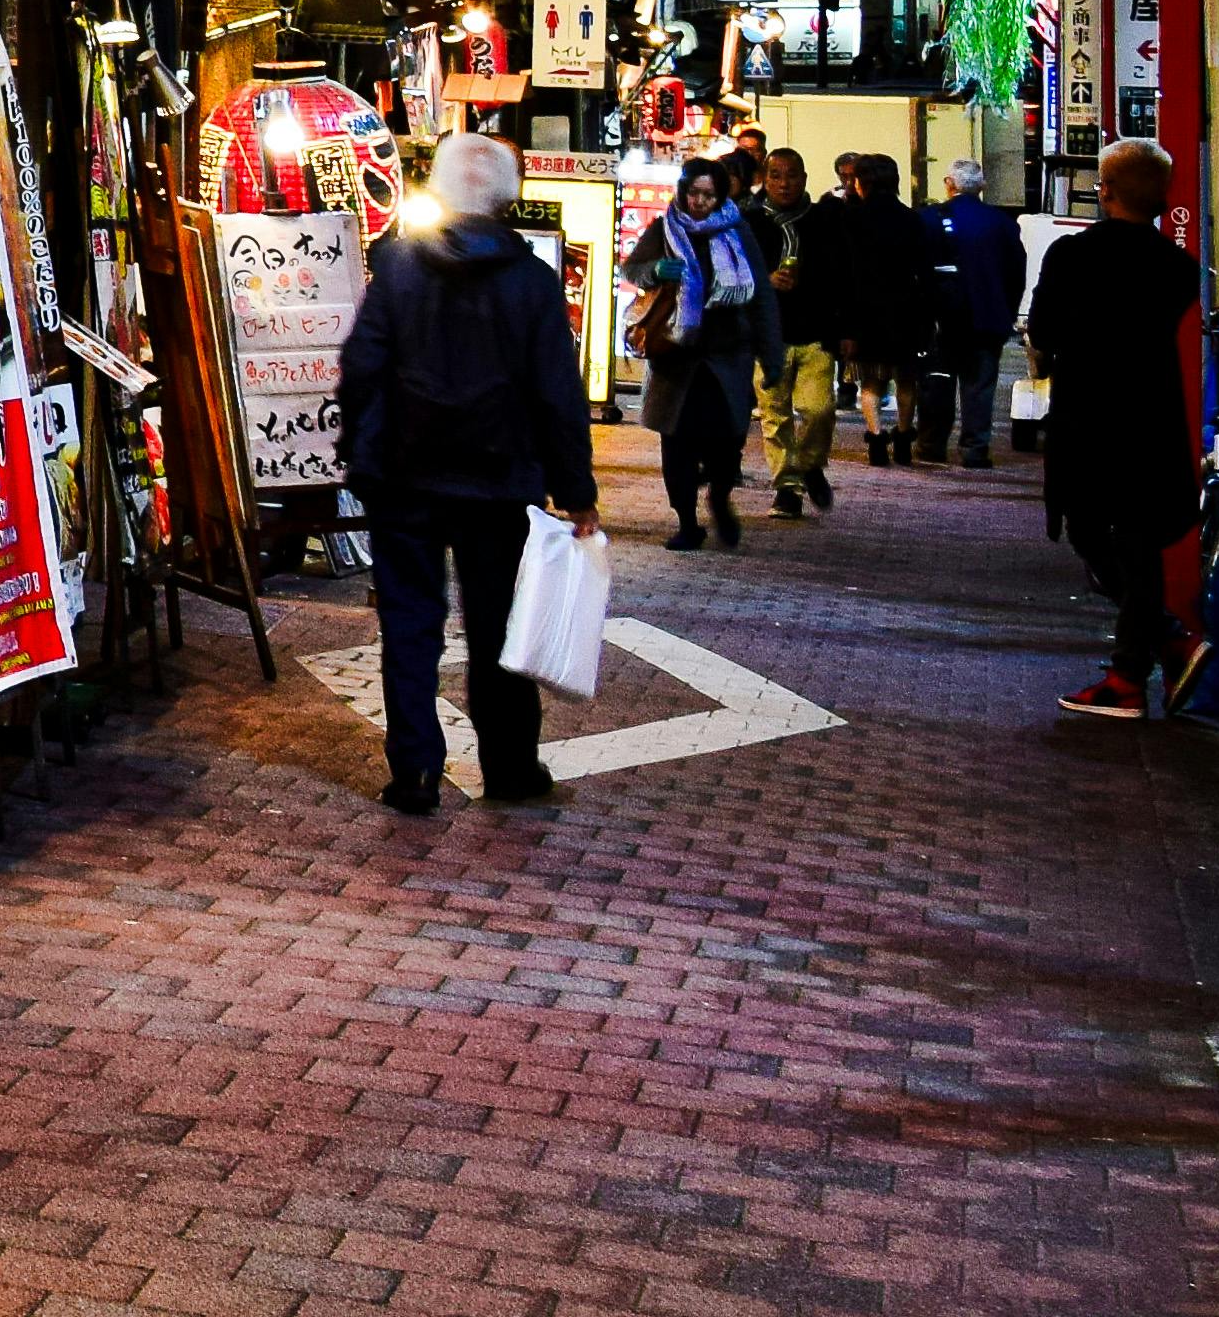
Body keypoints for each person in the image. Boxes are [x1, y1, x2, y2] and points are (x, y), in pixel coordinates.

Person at [343, 130, 602, 814]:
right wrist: (576, 491)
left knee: (408, 624)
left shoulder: (397, 268)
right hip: (499, 484)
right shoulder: (533, 283)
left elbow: (362, 366)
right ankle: (511, 769)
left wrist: (359, 453)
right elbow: (557, 392)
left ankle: (415, 773)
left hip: (405, 478)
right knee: (497, 629)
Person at [1030, 137, 1211, 716]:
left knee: (1090, 531)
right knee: (1137, 540)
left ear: (1104, 191)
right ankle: (1158, 647)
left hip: (1086, 414)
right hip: (1151, 416)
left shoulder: (1072, 255)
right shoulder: (1178, 269)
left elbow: (1044, 332)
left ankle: (1134, 672)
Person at [623, 155, 766, 547]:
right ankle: (687, 522)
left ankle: (719, 498)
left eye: (709, 195)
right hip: (677, 356)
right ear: (682, 192)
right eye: (694, 193)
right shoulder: (664, 229)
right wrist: (656, 271)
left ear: (721, 196)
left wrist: (771, 356)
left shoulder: (738, 233)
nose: (699, 202)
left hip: (726, 357)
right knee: (678, 447)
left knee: (726, 444)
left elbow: (761, 299)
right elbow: (632, 270)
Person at [804, 154, 938, 468]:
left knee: (872, 383)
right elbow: (925, 270)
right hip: (905, 311)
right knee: (906, 381)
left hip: (865, 313)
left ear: (863, 182)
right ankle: (904, 439)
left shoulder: (852, 219)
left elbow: (844, 271)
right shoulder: (912, 219)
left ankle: (877, 440)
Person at [751, 144, 852, 515]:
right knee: (774, 416)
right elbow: (734, 275)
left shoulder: (825, 219)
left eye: (791, 175)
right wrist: (767, 281)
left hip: (816, 332)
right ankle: (787, 488)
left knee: (819, 409)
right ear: (765, 178)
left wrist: (846, 329)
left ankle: (810, 465)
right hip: (768, 336)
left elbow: (844, 275)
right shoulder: (750, 221)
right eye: (775, 175)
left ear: (804, 178)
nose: (784, 183)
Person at [923, 155, 1028, 469]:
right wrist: (1006, 311)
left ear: (948, 184)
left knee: (938, 381)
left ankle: (931, 444)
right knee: (980, 385)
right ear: (982, 186)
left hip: (943, 318)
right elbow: (1016, 273)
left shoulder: (929, 218)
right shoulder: (1003, 223)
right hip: (988, 318)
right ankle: (975, 448)